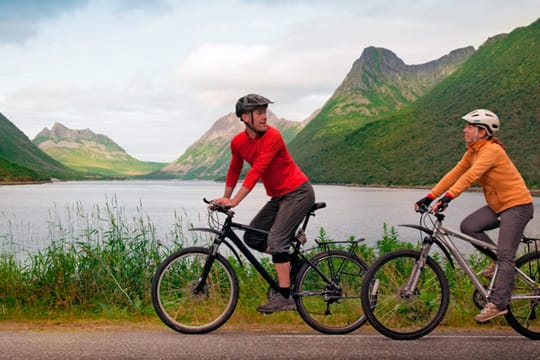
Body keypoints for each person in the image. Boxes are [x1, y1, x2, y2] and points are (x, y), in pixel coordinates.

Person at [415, 108, 534, 323]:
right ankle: (499, 263)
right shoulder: (473, 151)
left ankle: (498, 303)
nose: (465, 130)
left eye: (469, 127)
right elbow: (456, 173)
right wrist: (430, 196)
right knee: (469, 226)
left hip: (517, 206)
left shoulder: (491, 151)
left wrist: (448, 197)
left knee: (506, 254)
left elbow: (472, 175)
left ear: (482, 131)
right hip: (499, 205)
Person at [212, 93, 315, 313]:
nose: (264, 117)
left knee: (277, 240)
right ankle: (292, 261)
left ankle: (286, 298)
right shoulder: (238, 142)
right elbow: (234, 170)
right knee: (253, 236)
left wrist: (235, 201)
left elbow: (257, 170)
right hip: (279, 197)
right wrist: (225, 198)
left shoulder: (273, 136)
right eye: (259, 113)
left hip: (298, 193)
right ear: (245, 117)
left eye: (265, 112)